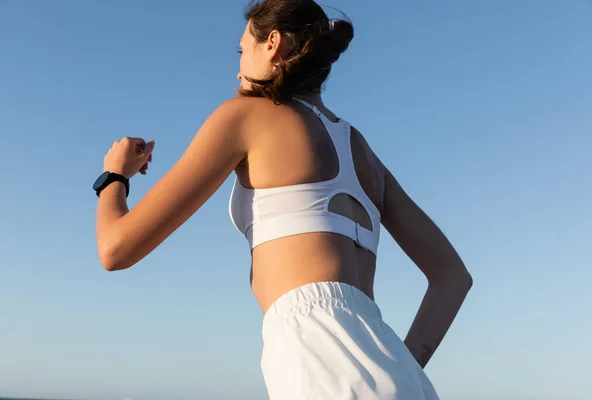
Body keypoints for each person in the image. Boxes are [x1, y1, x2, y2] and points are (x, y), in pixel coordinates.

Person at [93, 0, 473, 398]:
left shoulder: (244, 116)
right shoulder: (361, 150)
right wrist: (401, 368)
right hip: (401, 374)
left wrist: (115, 175)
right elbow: (452, 277)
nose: (237, 67)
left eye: (242, 50)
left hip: (321, 369)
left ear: (272, 43)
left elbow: (114, 249)